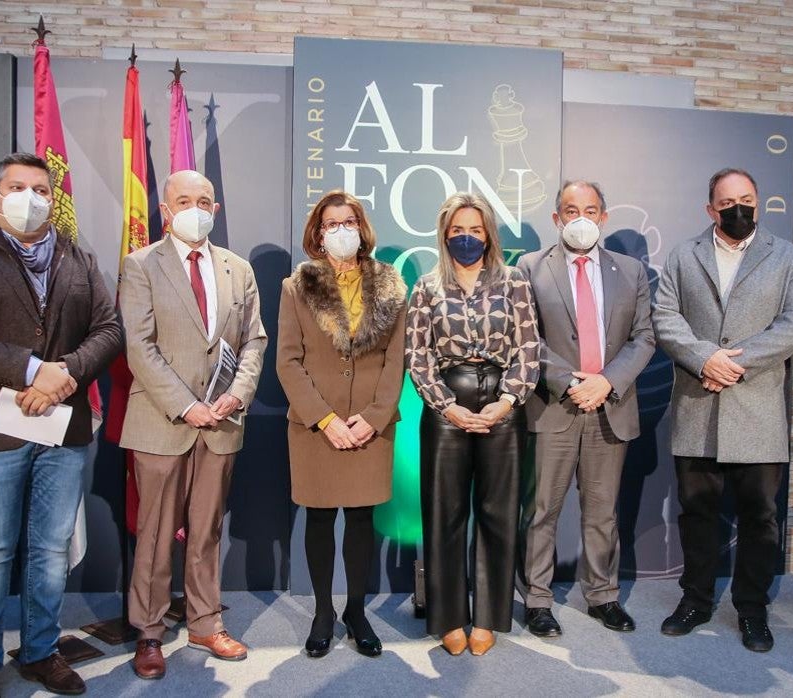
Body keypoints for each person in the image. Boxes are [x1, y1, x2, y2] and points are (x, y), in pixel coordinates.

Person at [0, 152, 123, 698]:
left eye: (40, 188)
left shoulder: (79, 259)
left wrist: (64, 375)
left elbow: (108, 330)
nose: (30, 198)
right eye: (18, 187)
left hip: (61, 426)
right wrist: (32, 370)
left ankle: (39, 651)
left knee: (50, 547)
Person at [652, 167, 793, 652]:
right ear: (711, 209)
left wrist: (735, 365)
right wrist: (706, 357)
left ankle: (752, 610)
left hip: (758, 409)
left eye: (746, 199)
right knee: (696, 512)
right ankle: (695, 601)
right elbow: (665, 317)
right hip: (698, 407)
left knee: (760, 517)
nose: (738, 209)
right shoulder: (685, 255)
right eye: (727, 203)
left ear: (759, 203)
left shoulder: (787, 258)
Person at [119, 170, 267, 680]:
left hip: (222, 423)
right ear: (166, 210)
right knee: (156, 534)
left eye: (205, 201)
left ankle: (206, 621)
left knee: (206, 531)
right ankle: (150, 631)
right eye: (185, 200)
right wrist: (186, 406)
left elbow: (254, 342)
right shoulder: (140, 265)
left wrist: (235, 395)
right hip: (163, 421)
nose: (196, 208)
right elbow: (139, 346)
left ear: (216, 210)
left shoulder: (237, 269)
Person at [516, 180, 655, 637]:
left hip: (609, 406)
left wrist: (606, 382)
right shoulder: (530, 267)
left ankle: (603, 595)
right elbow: (525, 337)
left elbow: (644, 337)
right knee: (543, 510)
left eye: (591, 210)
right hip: (554, 405)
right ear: (557, 219)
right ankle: (537, 599)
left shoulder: (631, 271)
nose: (582, 219)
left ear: (604, 217)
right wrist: (568, 381)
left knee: (602, 511)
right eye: (571, 210)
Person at [406, 192, 540, 656]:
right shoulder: (426, 286)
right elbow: (417, 357)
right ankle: (448, 618)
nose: (467, 238)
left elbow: (529, 348)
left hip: (503, 401)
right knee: (444, 512)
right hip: (448, 402)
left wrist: (506, 402)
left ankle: (488, 616)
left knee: (498, 512)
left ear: (489, 235)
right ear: (446, 234)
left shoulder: (515, 281)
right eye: (458, 230)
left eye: (476, 230)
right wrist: (447, 406)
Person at [275, 190, 407, 658]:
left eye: (348, 221)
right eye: (331, 224)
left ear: (362, 228)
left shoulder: (391, 283)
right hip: (317, 427)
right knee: (319, 517)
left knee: (360, 518)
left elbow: (396, 360)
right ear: (318, 233)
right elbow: (288, 362)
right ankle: (323, 613)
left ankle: (355, 610)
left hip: (371, 425)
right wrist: (326, 419)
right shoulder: (297, 286)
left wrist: (372, 420)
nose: (341, 230)